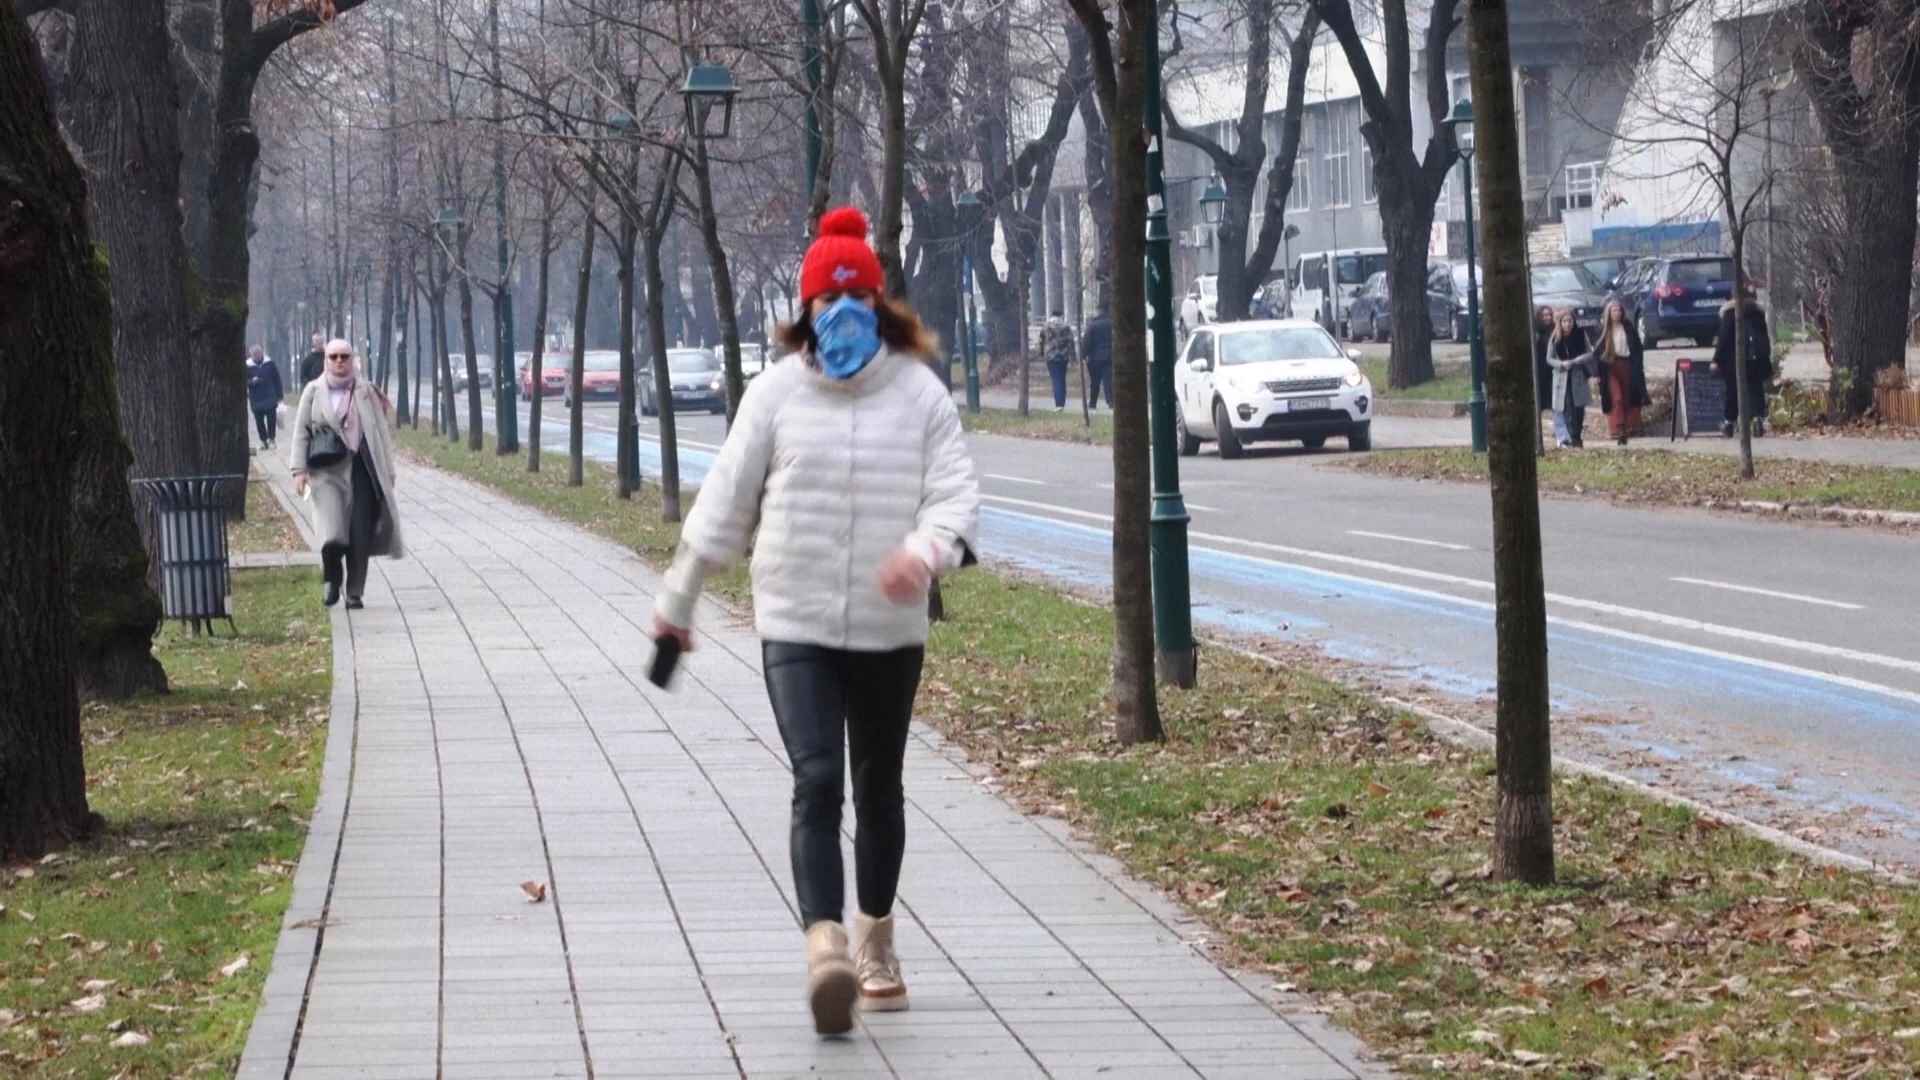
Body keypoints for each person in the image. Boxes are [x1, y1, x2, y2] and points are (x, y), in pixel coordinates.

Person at [651, 207, 979, 1038]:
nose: (842, 321)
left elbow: (956, 497)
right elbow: (723, 507)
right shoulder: (774, 395)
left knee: (878, 786)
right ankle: (825, 945)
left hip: (888, 625)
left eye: (856, 304)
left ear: (879, 306)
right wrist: (678, 605)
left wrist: (928, 552)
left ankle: (876, 941)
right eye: (827, 307)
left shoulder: (919, 393)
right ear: (804, 314)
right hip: (793, 619)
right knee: (816, 780)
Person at [290, 341, 403, 610]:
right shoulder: (313, 391)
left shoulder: (365, 391)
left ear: (352, 360)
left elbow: (380, 432)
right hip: (326, 470)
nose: (339, 362)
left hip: (362, 469)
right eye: (334, 357)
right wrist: (298, 471)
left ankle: (354, 592)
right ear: (326, 360)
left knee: (359, 534)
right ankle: (332, 577)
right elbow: (301, 432)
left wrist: (388, 471)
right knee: (332, 534)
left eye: (344, 357)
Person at [1711, 293, 1772, 438]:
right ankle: (1758, 422)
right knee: (1756, 390)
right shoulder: (1758, 314)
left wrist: (1716, 359)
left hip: (1734, 361)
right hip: (1755, 361)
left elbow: (1724, 339)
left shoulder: (1730, 313)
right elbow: (1764, 338)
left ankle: (1729, 424)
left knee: (1731, 392)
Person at [1595, 301, 1649, 446]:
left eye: (1619, 311)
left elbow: (1637, 347)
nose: (1617, 313)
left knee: (1628, 397)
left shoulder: (1628, 327)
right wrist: (1597, 372)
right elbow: (1597, 352)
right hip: (1610, 366)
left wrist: (1637, 365)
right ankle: (1617, 428)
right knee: (1616, 397)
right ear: (1609, 313)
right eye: (1614, 311)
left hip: (1627, 364)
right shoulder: (1604, 330)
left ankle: (1628, 427)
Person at [1545, 309, 1593, 448]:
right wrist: (1561, 364)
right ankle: (1572, 437)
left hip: (1577, 374)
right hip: (1562, 377)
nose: (1568, 324)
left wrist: (1577, 360)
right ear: (1560, 323)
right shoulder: (1555, 338)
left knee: (1579, 408)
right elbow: (1549, 358)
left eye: (1570, 321)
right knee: (1567, 407)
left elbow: (1589, 352)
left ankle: (1577, 434)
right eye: (1565, 321)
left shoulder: (1580, 334)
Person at [246, 345, 284, 449]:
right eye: (254, 354)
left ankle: (272, 439)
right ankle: (263, 440)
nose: (257, 356)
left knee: (271, 418)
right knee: (259, 420)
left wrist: (280, 394)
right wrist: (252, 382)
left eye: (258, 353)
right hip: (256, 398)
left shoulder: (270, 363)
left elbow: (277, 378)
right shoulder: (247, 366)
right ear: (251, 355)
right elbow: (244, 381)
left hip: (270, 395)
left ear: (262, 353)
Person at [1040, 308, 1076, 412]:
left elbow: (1041, 340)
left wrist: (1042, 353)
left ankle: (1058, 403)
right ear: (1061, 315)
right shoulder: (1066, 327)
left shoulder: (1046, 326)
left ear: (1052, 315)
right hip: (1063, 356)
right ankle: (1062, 402)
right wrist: (1073, 356)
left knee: (1055, 379)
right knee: (1062, 378)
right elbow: (1070, 341)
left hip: (1051, 356)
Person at [1080, 307, 1114, 410]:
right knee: (1108, 380)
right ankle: (1110, 401)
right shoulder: (1112, 323)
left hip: (1094, 358)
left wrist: (1083, 355)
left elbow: (1087, 342)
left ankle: (1092, 403)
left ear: (1098, 312)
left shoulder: (1092, 325)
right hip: (1109, 356)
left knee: (1095, 381)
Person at [1531, 305, 1557, 416]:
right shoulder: (1536, 332)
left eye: (1549, 315)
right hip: (1541, 368)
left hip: (1552, 367)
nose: (1548, 318)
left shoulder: (1554, 330)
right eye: (1545, 315)